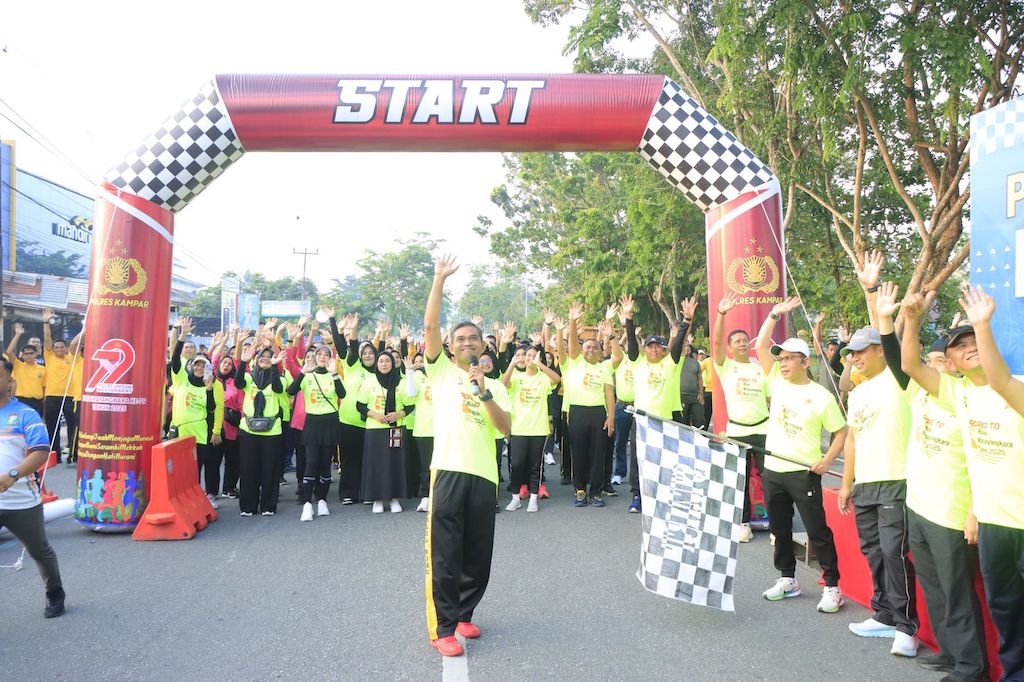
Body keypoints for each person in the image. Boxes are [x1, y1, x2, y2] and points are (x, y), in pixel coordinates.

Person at [903, 287, 1024, 680]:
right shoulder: (956, 394)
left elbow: (1001, 381)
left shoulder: (1013, 385)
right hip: (994, 524)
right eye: (959, 345)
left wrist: (982, 324)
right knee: (1005, 611)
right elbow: (908, 364)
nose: (969, 347)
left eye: (974, 341)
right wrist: (913, 319)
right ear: (950, 362)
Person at [868, 283, 987, 681]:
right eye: (935, 356)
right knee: (935, 589)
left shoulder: (971, 395)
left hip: (952, 513)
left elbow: (984, 462)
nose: (934, 363)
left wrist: (974, 511)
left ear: (952, 364)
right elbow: (901, 361)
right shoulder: (922, 394)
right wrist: (896, 320)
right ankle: (951, 654)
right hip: (918, 508)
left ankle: (972, 668)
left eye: (941, 358)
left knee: (956, 594)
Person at [423, 254, 511, 658]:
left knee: (478, 552)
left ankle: (464, 613)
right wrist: (439, 279)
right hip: (450, 471)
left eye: (473, 339)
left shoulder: (491, 383)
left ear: (483, 345)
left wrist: (485, 390)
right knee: (446, 550)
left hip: (484, 476)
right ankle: (442, 627)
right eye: (460, 339)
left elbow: (505, 427)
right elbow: (429, 325)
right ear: (450, 347)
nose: (467, 343)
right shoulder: (440, 371)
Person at [835, 253, 919, 656]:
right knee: (872, 551)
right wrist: (847, 484)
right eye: (850, 354)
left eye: (861, 352)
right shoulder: (859, 390)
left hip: (896, 480)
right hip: (865, 484)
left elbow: (891, 339)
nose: (854, 359)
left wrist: (872, 292)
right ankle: (884, 614)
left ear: (880, 352)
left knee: (893, 552)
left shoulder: (899, 377)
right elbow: (852, 438)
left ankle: (907, 627)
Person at [754, 296, 848, 614]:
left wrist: (826, 459)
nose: (782, 363)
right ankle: (788, 578)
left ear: (805, 362)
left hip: (804, 472)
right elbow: (760, 347)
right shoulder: (776, 382)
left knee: (816, 530)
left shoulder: (820, 396)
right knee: (778, 529)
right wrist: (774, 314)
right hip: (774, 469)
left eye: (790, 359)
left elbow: (841, 432)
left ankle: (833, 586)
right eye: (781, 359)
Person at [0, 357, 65, 618]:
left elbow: (40, 451)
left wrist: (13, 475)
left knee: (40, 550)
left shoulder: (25, 414)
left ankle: (55, 592)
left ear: (9, 380)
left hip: (20, 501)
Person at [619, 293, 696, 513]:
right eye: (650, 346)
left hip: (666, 421)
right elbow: (632, 343)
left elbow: (679, 341)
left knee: (666, 459)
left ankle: (664, 495)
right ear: (646, 349)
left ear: (663, 349)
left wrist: (687, 320)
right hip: (642, 420)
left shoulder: (671, 364)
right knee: (639, 458)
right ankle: (637, 496)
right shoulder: (637, 363)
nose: (653, 349)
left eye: (657, 347)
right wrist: (628, 317)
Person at [713, 293, 770, 543]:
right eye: (737, 341)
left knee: (770, 480)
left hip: (763, 429)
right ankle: (743, 523)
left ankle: (778, 527)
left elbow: (771, 399)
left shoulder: (760, 367)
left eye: (745, 340)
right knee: (741, 481)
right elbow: (715, 344)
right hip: (737, 432)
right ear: (731, 347)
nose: (743, 343)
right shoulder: (725, 366)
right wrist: (722, 314)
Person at [560, 302, 615, 507]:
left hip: (598, 413)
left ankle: (596, 492)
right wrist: (572, 320)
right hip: (577, 411)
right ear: (581, 351)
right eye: (587, 347)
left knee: (597, 453)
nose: (591, 349)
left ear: (601, 352)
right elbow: (572, 341)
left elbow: (609, 394)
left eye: (595, 347)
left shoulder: (604, 368)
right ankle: (580, 490)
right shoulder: (575, 362)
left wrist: (611, 417)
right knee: (578, 451)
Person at [288, 344, 344, 521]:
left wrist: (335, 373)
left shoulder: (333, 375)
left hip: (330, 422)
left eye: (325, 354)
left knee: (324, 464)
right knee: (311, 462)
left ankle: (322, 500)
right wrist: (303, 371)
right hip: (312, 423)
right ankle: (307, 504)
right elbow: (290, 390)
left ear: (329, 358)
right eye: (318, 354)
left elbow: (342, 394)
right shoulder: (307, 376)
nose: (321, 356)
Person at [501, 343, 559, 512]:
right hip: (519, 428)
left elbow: (556, 379)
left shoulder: (543, 378)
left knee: (535, 465)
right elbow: (503, 384)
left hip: (538, 429)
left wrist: (540, 364)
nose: (530, 358)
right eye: (528, 356)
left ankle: (533, 498)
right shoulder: (517, 378)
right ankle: (515, 498)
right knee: (517, 463)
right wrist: (512, 364)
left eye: (534, 356)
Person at [234, 344, 287, 517]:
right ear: (256, 360)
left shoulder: (279, 378)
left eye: (268, 356)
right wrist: (243, 362)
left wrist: (273, 367)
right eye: (261, 357)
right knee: (248, 469)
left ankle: (268, 505)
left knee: (270, 469)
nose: (264, 359)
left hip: (272, 432)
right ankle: (248, 505)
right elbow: (238, 382)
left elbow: (279, 389)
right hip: (249, 431)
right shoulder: (249, 379)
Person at [357, 349, 410, 514]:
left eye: (387, 361)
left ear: (392, 364)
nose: (384, 364)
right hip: (375, 429)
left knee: (396, 463)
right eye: (381, 361)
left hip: (396, 428)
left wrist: (398, 414)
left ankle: (394, 498)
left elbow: (410, 405)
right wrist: (375, 415)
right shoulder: (369, 381)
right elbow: (360, 405)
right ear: (377, 364)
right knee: (376, 465)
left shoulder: (401, 381)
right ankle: (377, 499)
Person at [331, 312, 374, 504]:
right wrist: (351, 330)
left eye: (371, 352)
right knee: (349, 459)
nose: (367, 355)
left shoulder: (380, 371)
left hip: (372, 422)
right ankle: (348, 493)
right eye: (364, 353)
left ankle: (366, 492)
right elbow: (347, 346)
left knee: (368, 460)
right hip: (348, 420)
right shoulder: (352, 365)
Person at [40, 309, 81, 462]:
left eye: (61, 347)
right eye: (56, 347)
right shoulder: (49, 356)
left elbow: (76, 343)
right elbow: (47, 338)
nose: (58, 349)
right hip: (51, 396)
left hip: (69, 396)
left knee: (72, 426)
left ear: (66, 348)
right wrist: (46, 322)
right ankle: (54, 456)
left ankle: (72, 454)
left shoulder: (71, 356)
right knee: (52, 427)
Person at [405, 354, 435, 513]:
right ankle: (426, 496)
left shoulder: (445, 374)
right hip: (424, 428)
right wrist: (409, 372)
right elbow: (410, 393)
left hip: (445, 428)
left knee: (443, 466)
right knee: (426, 465)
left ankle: (440, 496)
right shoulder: (418, 375)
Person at [5, 323, 46, 418]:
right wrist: (17, 334)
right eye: (26, 354)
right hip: (21, 400)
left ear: (36, 354)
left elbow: (44, 387)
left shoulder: (43, 369)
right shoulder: (18, 365)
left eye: (31, 353)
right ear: (22, 355)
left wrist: (44, 401)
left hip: (38, 401)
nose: (29, 355)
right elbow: (9, 352)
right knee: (20, 424)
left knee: (35, 424)